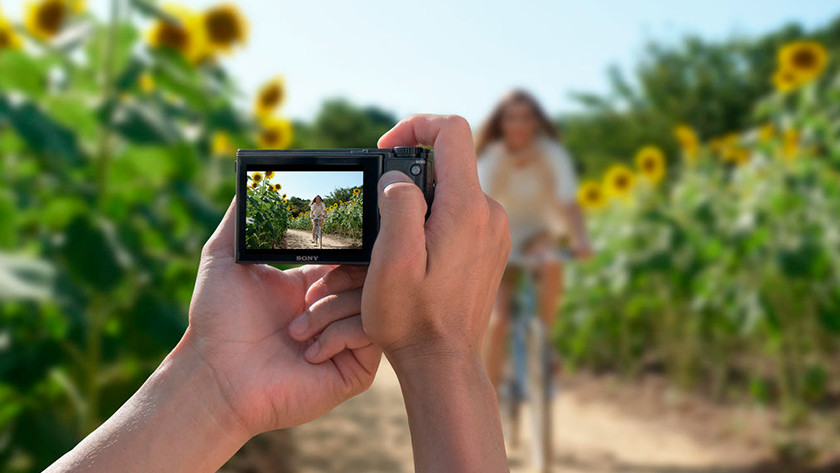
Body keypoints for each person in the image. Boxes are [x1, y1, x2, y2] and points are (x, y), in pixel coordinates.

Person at [44, 114, 512, 473]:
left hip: (237, 363)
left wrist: (215, 383)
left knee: (322, 232)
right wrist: (443, 355)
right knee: (316, 232)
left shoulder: (322, 206)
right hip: (306, 244)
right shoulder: (313, 205)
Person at [476, 89, 593, 387]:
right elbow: (483, 207)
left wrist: (581, 239)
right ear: (501, 123)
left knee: (552, 262)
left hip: (538, 232)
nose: (519, 125)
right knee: (499, 321)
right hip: (501, 236)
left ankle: (545, 342)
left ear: (536, 121)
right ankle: (489, 402)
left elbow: (569, 200)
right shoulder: (493, 157)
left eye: (526, 117)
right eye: (512, 118)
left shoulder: (551, 152)